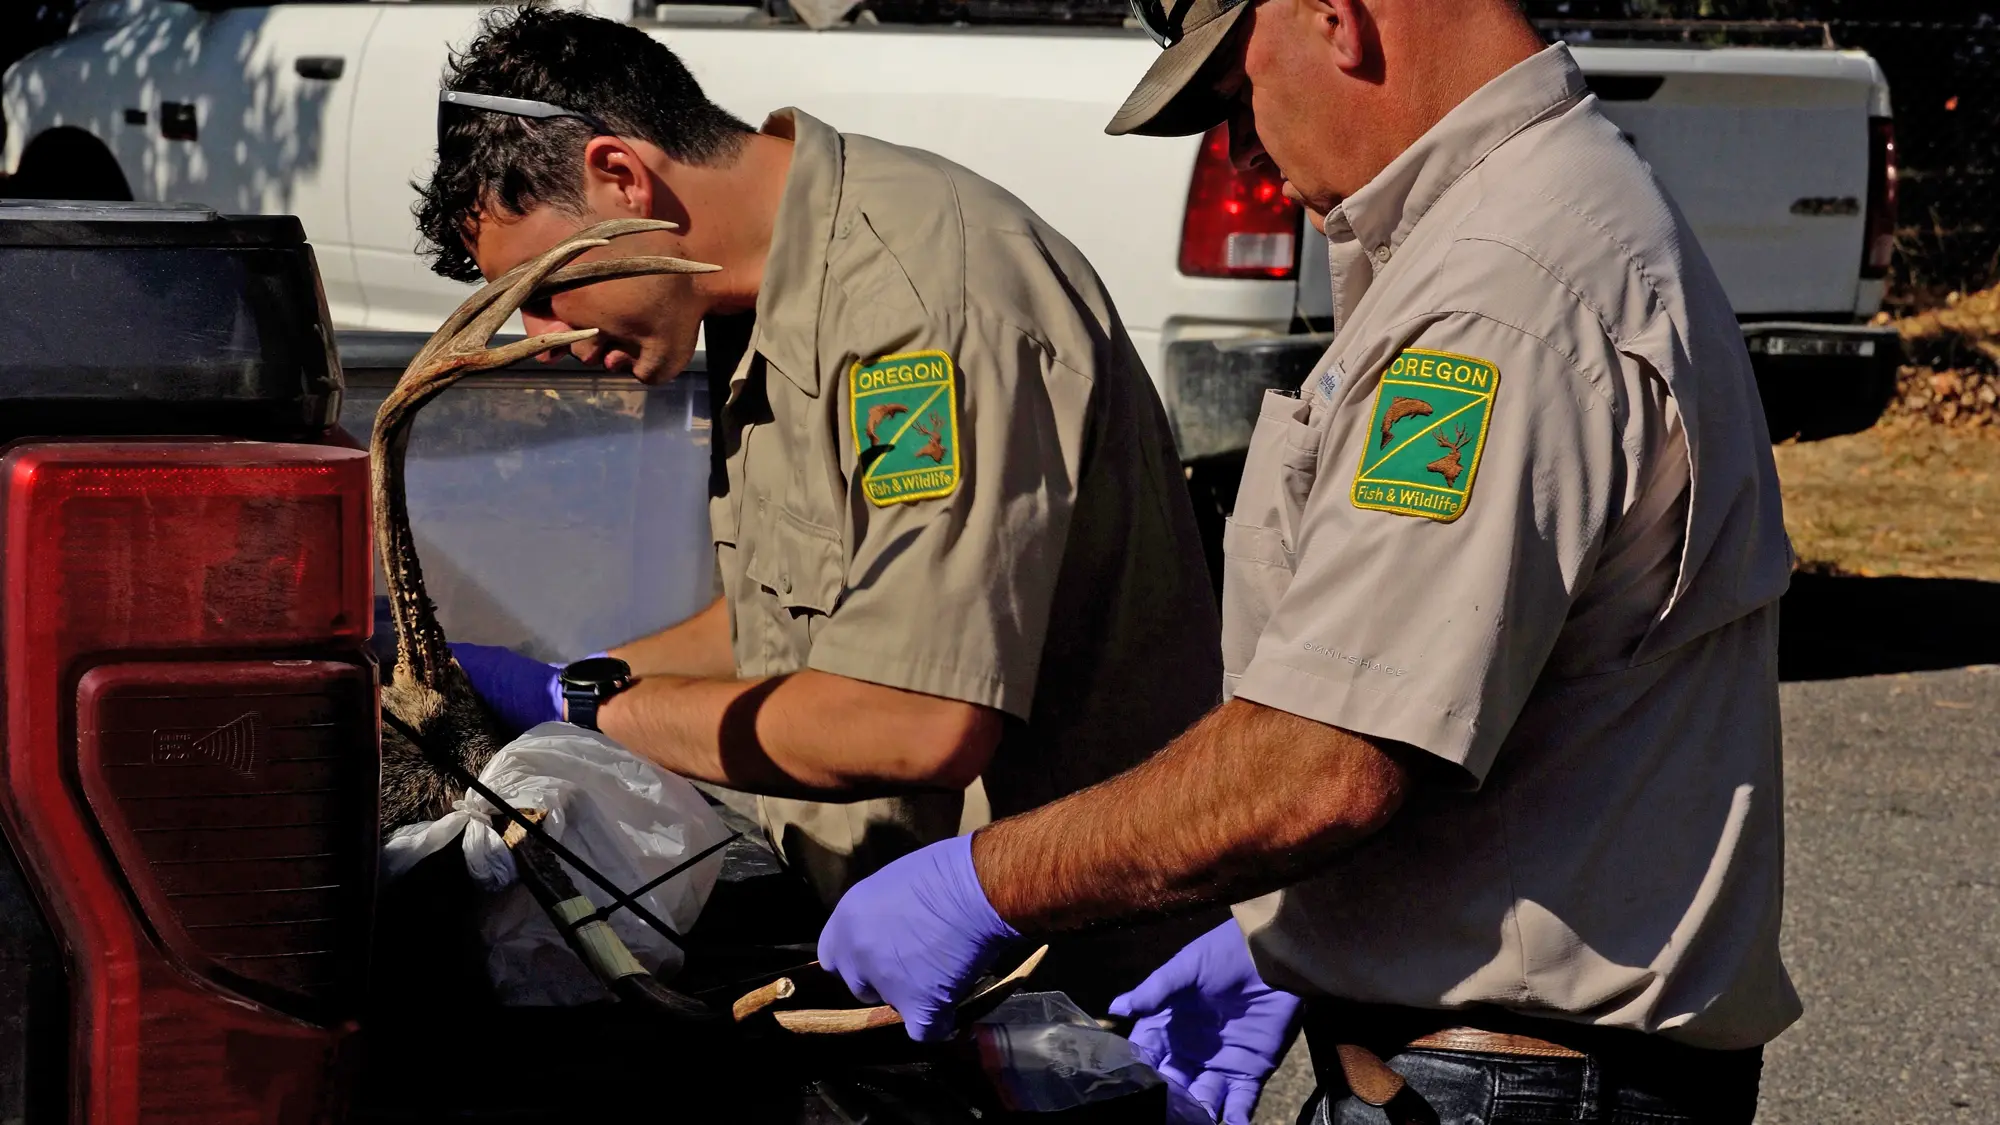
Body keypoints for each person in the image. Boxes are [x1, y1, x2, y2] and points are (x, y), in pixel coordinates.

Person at [814, 0, 1800, 1122]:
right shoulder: (1523, 223)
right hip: (1502, 1065)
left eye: (1233, 98)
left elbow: (1323, 764)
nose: (1238, 149)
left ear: (1334, 17)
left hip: (1514, 1085)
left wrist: (979, 886)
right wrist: (1293, 933)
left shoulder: (1501, 287)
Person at [416, 6, 1224, 1004]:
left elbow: (914, 720)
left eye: (544, 290)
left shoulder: (911, 306)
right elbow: (793, 620)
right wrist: (544, 677)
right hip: (908, 951)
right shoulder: (754, 291)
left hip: (1060, 985)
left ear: (619, 177)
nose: (546, 337)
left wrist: (587, 708)